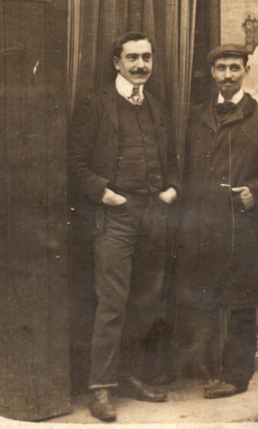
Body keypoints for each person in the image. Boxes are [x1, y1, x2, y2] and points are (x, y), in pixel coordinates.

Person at [177, 43, 258, 398]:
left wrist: (257, 193)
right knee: (201, 297)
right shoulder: (196, 117)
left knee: (241, 301)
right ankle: (201, 368)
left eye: (234, 68)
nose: (227, 76)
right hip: (199, 225)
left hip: (240, 225)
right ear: (212, 73)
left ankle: (236, 376)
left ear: (247, 70)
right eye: (221, 69)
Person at [68, 31, 179, 422]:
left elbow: (172, 160)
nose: (140, 65)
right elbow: (75, 165)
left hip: (154, 215)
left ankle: (130, 376)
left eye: (147, 57)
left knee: (146, 300)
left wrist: (171, 190)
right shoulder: (95, 105)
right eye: (132, 58)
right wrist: (107, 195)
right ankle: (100, 388)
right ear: (117, 62)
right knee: (112, 304)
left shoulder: (157, 107)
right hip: (114, 217)